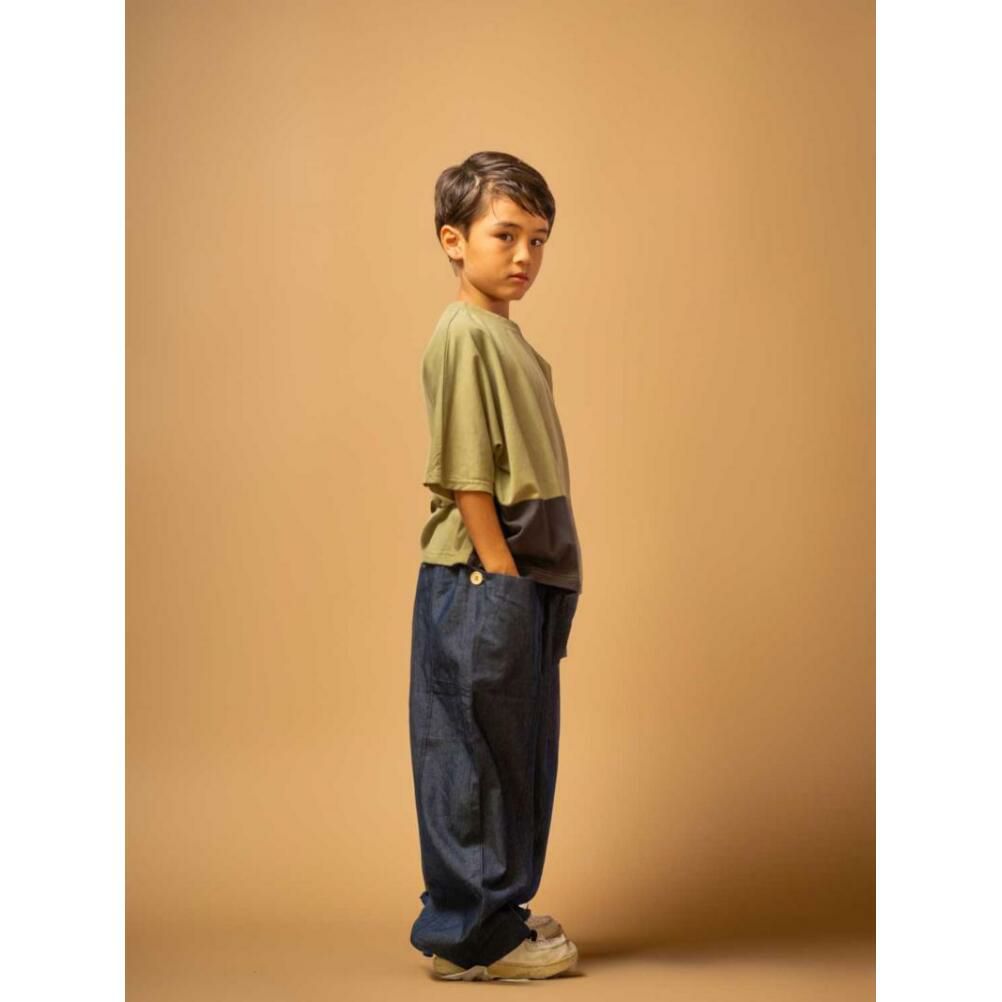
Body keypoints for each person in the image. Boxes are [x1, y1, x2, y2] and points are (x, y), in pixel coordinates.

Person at [407, 151, 584, 981]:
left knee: (516, 754)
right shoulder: (462, 334)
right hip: (485, 577)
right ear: (454, 240)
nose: (525, 255)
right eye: (505, 235)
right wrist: (502, 573)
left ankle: (496, 911)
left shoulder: (506, 336)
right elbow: (467, 472)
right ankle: (471, 937)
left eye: (538, 239)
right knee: (471, 757)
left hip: (524, 572)